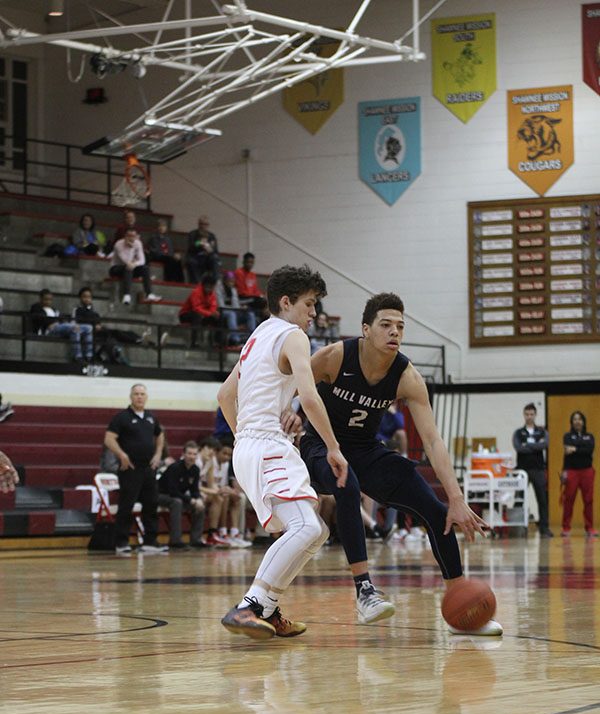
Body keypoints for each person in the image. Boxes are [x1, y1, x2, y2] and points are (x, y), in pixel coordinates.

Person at [300, 292, 503, 635]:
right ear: (365, 329)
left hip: (365, 450)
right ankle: (365, 592)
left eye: (400, 326)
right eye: (385, 325)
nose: (394, 332)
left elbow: (433, 441)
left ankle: (462, 604)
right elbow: (292, 381)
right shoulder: (336, 356)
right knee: (346, 483)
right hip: (320, 447)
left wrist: (455, 498)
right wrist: (286, 415)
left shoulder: (407, 376)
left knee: (437, 512)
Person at [217, 263, 348, 640]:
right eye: (309, 304)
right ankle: (252, 605)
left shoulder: (256, 337)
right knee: (306, 526)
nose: (314, 313)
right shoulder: (292, 336)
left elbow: (225, 395)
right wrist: (334, 448)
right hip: (266, 445)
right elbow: (308, 396)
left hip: (249, 445)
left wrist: (244, 436)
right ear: (286, 302)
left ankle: (269, 610)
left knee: (316, 531)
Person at [103, 383, 168, 555]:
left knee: (151, 504)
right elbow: (109, 439)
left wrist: (158, 454)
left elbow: (160, 435)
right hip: (130, 468)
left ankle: (150, 542)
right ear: (131, 397)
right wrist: (122, 455)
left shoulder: (151, 417)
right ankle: (121, 543)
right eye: (136, 394)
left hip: (148, 467)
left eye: (142, 394)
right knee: (126, 504)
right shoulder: (122, 417)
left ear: (146, 397)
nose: (139, 396)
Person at [73, 286, 158, 365]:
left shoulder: (93, 312)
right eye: (85, 296)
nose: (87, 299)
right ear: (80, 298)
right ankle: (139, 340)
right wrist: (93, 326)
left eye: (89, 297)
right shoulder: (78, 310)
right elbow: (78, 323)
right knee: (116, 333)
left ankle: (144, 340)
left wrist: (98, 326)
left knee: (125, 332)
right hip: (89, 333)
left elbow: (98, 322)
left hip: (100, 332)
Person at [512, 403, 552, 537]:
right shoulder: (518, 433)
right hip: (522, 471)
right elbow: (518, 447)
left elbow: (544, 444)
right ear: (524, 415)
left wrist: (527, 445)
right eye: (527, 414)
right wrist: (535, 445)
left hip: (538, 470)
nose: (529, 416)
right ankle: (517, 529)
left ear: (535, 415)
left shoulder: (542, 432)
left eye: (531, 414)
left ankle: (544, 528)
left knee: (542, 499)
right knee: (519, 499)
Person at [157, 440, 205, 550]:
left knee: (200, 505)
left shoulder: (195, 470)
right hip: (161, 495)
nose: (191, 456)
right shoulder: (175, 468)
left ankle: (196, 540)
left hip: (178, 496)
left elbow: (194, 490)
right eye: (189, 453)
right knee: (177, 503)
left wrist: (198, 499)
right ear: (183, 454)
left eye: (194, 454)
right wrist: (191, 500)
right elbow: (172, 491)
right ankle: (176, 541)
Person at [29, 288, 93, 363]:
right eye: (46, 299)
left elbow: (62, 318)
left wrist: (60, 322)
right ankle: (77, 356)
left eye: (50, 300)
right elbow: (40, 319)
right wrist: (52, 323)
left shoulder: (54, 310)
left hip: (60, 327)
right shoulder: (36, 307)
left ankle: (89, 356)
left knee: (88, 328)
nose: (48, 302)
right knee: (74, 328)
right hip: (48, 330)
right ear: (40, 299)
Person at [561, 410, 597, 538]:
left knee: (588, 500)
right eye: (575, 419)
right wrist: (564, 472)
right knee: (569, 500)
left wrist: (575, 448)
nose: (577, 421)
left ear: (583, 421)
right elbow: (567, 451)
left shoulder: (590, 436)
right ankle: (566, 527)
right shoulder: (567, 436)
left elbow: (589, 450)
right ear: (572, 422)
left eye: (580, 419)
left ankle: (590, 528)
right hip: (572, 471)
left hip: (587, 471)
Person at [109, 227, 160, 305]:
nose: (131, 238)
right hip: (116, 268)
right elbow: (125, 260)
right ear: (125, 236)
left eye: (133, 236)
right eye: (129, 236)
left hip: (130, 267)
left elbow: (142, 260)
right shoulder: (119, 244)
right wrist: (130, 248)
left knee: (145, 268)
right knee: (128, 268)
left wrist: (135, 264)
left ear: (136, 236)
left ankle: (149, 294)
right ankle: (127, 295)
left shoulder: (138, 243)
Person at [216, 270, 257, 346]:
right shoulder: (219, 288)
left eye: (232, 281)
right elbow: (221, 305)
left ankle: (251, 340)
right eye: (229, 281)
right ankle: (236, 339)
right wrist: (234, 309)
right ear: (225, 281)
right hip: (223, 312)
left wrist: (241, 308)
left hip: (233, 311)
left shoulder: (233, 290)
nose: (231, 283)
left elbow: (236, 305)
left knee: (250, 313)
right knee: (232, 314)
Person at [146, 218, 184, 283]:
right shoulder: (153, 238)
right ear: (157, 227)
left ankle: (180, 280)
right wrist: (169, 256)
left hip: (167, 257)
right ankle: (168, 279)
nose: (162, 228)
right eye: (160, 226)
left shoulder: (168, 239)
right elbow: (155, 251)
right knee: (169, 259)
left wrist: (174, 255)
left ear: (166, 228)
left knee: (178, 260)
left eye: (163, 226)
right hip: (157, 256)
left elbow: (171, 250)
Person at [186, 215, 219, 283]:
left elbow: (215, 250)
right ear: (198, 224)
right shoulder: (192, 234)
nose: (203, 226)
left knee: (214, 258)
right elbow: (190, 247)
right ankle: (197, 284)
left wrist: (210, 250)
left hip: (207, 258)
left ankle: (215, 282)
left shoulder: (212, 236)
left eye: (205, 224)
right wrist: (199, 243)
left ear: (208, 225)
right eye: (201, 224)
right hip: (195, 257)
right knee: (191, 261)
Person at [234, 252, 267, 318]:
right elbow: (241, 291)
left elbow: (255, 290)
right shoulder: (238, 272)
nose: (250, 264)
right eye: (248, 262)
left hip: (252, 298)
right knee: (261, 302)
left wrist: (261, 295)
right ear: (244, 262)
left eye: (252, 262)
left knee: (265, 300)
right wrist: (256, 296)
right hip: (243, 298)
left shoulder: (252, 275)